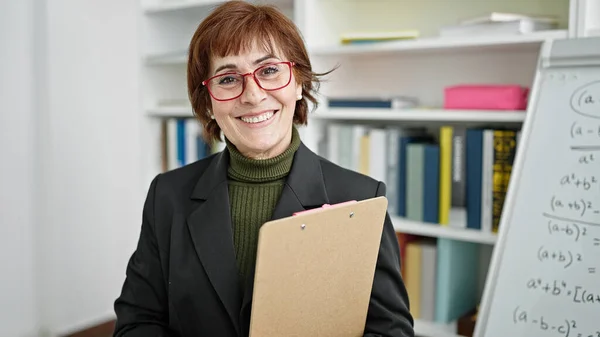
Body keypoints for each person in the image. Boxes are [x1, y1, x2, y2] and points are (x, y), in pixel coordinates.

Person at [113, 1, 414, 336]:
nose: (253, 95)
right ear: (209, 103)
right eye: (228, 78)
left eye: (269, 70)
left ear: (298, 82)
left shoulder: (362, 198)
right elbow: (136, 323)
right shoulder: (167, 195)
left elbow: (390, 331)